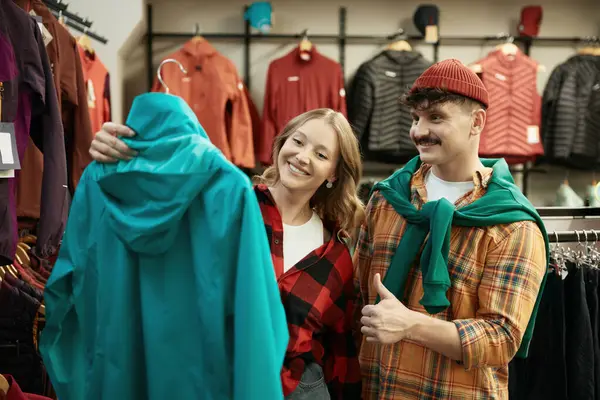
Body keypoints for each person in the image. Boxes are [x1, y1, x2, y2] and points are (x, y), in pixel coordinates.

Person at [88, 108, 364, 399]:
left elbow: (339, 350)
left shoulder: (336, 255)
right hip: (215, 380)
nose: (303, 156)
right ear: (282, 143)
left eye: (321, 155)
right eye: (298, 141)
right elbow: (150, 216)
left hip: (296, 391)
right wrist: (117, 158)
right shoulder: (227, 204)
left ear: (334, 172)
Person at [354, 59, 550, 399]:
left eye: (436, 117)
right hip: (377, 388)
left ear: (477, 122)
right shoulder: (387, 199)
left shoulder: (512, 222)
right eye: (415, 118)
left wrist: (411, 325)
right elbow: (357, 296)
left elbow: (502, 338)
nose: (418, 130)